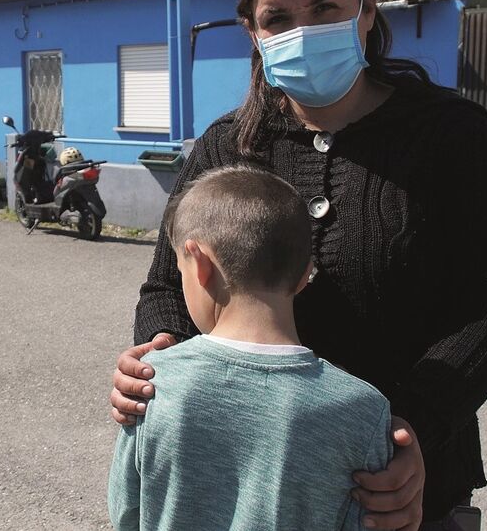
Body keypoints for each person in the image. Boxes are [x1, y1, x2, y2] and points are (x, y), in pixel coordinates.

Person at [109, 0, 487, 531]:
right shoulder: (226, 147)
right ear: (253, 32)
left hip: (401, 491)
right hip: (252, 479)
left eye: (326, 6)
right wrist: (156, 359)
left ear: (366, 9)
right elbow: (168, 286)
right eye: (278, 18)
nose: (303, 31)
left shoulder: (451, 136)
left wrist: (412, 430)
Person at [107, 166, 393, 530]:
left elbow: (127, 514)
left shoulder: (152, 385)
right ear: (306, 273)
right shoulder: (363, 410)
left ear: (199, 264)